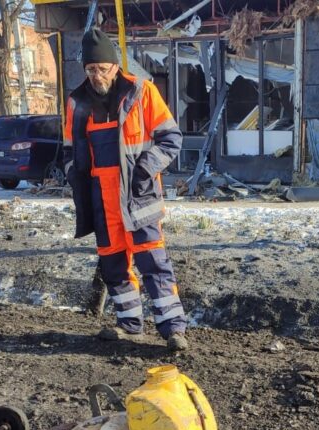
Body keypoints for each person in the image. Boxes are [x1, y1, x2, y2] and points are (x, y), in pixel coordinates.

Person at [64, 28, 189, 353]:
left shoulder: (142, 92)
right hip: (101, 199)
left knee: (153, 262)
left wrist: (146, 167)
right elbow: (71, 150)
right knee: (113, 265)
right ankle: (130, 325)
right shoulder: (77, 103)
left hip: (139, 195)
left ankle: (173, 329)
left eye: (102, 68)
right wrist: (70, 174)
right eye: (91, 70)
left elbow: (171, 138)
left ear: (115, 66)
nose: (96, 76)